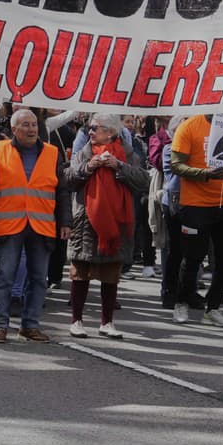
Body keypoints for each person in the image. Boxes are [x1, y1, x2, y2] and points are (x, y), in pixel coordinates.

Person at [0, 108, 70, 343]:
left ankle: (30, 326)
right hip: (10, 225)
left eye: (34, 125)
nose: (31, 129)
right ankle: (0, 325)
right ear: (14, 130)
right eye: (25, 125)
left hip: (41, 226)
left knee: (38, 278)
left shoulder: (52, 153)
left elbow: (63, 190)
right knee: (6, 276)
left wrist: (66, 221)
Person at [62, 113, 148, 339]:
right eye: (89, 128)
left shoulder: (128, 153)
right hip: (86, 220)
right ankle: (77, 320)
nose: (90, 132)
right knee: (80, 273)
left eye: (95, 128)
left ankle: (107, 322)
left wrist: (118, 166)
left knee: (111, 275)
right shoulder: (84, 152)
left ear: (110, 132)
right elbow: (68, 178)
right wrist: (88, 167)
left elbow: (142, 180)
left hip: (116, 221)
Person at [167, 114, 223, 327]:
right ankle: (181, 301)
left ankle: (213, 307)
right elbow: (176, 165)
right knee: (192, 257)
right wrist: (203, 174)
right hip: (195, 204)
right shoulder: (189, 126)